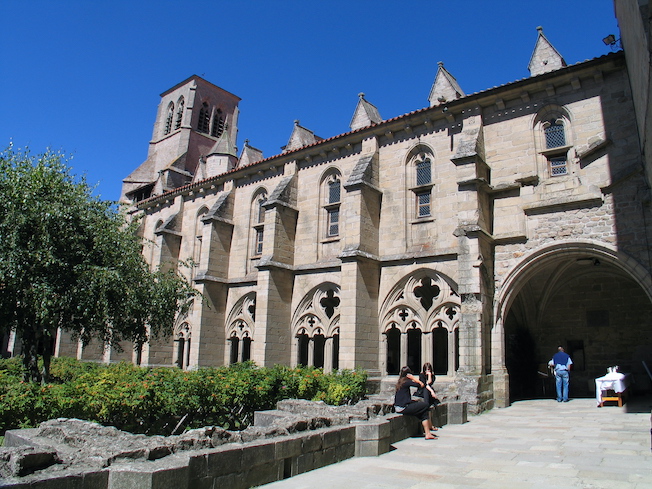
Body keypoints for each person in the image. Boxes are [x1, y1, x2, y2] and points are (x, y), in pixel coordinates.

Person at [394, 366, 437, 439]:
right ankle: (428, 431)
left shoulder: (401, 382)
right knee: (426, 405)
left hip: (399, 407)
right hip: (403, 407)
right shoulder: (406, 382)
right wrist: (413, 378)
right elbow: (421, 385)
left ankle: (428, 433)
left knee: (423, 411)